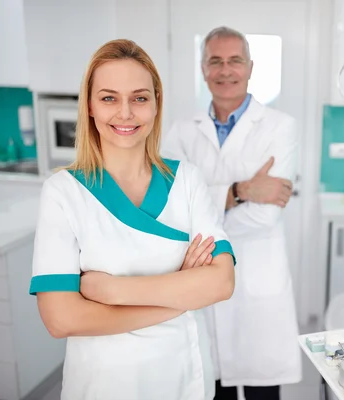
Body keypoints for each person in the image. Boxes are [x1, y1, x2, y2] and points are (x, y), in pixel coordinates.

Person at [29, 38, 235, 400]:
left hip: (184, 376)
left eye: (139, 98)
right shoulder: (63, 192)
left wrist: (112, 292)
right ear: (90, 106)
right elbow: (60, 319)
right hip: (105, 384)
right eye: (109, 98)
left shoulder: (186, 180)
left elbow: (220, 283)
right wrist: (182, 293)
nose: (125, 113)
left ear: (156, 104)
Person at [161, 26, 301, 400]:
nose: (226, 71)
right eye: (215, 61)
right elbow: (172, 209)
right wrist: (242, 191)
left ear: (250, 67)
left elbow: (265, 217)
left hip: (256, 274)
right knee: (212, 385)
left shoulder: (279, 128)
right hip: (203, 279)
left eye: (235, 61)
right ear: (203, 69)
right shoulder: (180, 132)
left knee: (262, 390)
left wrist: (204, 206)